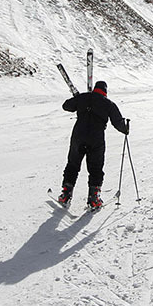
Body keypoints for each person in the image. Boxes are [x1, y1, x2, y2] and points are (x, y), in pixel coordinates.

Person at [58, 80, 128, 209]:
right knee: (96, 168)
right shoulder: (108, 104)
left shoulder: (83, 97)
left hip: (78, 137)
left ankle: (66, 194)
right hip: (96, 139)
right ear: (105, 91)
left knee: (73, 165)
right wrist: (125, 129)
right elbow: (118, 122)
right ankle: (94, 199)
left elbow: (66, 106)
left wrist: (78, 98)